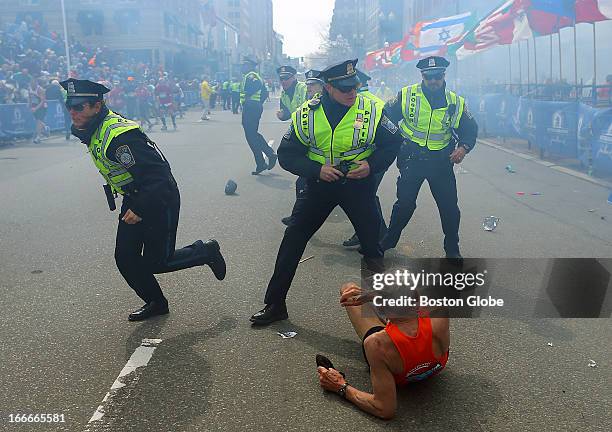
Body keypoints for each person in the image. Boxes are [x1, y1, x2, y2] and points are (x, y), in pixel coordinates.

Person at [249, 59, 402, 326]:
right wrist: (315, 170)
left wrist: (372, 166)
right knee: (292, 240)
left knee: (372, 248)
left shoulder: (371, 108)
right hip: (319, 186)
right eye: (345, 89)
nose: (352, 92)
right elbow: (287, 155)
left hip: (358, 186)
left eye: (354, 86)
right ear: (328, 88)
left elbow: (393, 142)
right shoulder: (307, 113)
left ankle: (383, 307)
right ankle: (275, 304)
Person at [60, 78, 226, 321]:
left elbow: (159, 176)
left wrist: (140, 207)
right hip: (136, 195)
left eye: (79, 107)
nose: (73, 112)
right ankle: (156, 303)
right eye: (69, 107)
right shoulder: (94, 126)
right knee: (125, 258)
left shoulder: (120, 136)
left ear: (97, 106)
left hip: (158, 197)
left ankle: (206, 251)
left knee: (158, 262)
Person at [380, 56, 478, 259]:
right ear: (422, 76)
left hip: (441, 162)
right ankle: (389, 240)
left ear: (444, 76)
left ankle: (452, 249)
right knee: (404, 204)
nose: (433, 81)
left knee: (449, 207)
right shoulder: (407, 95)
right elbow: (386, 116)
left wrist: (463, 148)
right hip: (412, 159)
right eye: (429, 77)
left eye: (437, 76)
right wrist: (395, 139)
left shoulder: (456, 102)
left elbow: (470, 129)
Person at [316, 281, 450, 419]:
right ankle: (394, 317)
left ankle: (390, 323)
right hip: (436, 365)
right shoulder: (439, 311)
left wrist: (340, 387)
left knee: (347, 287)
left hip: (399, 373)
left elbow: (384, 409)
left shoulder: (376, 344)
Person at [343, 69, 388, 248]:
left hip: (370, 160)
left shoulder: (365, 104)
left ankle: (374, 235)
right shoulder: (377, 101)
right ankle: (374, 233)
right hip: (373, 159)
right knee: (365, 196)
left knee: (364, 197)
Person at [281, 69, 324, 226]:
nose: (309, 87)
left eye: (313, 84)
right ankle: (298, 219)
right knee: (303, 185)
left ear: (322, 86)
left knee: (356, 200)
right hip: (316, 156)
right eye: (308, 84)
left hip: (331, 158)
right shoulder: (310, 103)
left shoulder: (324, 104)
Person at [240, 57, 277, 175]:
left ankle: (266, 158)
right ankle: (263, 160)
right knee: (252, 135)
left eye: (245, 65)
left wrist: (248, 99)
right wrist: (256, 103)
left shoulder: (252, 76)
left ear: (250, 66)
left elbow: (255, 86)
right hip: (252, 106)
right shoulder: (253, 75)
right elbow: (265, 93)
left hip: (251, 107)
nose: (243, 67)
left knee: (251, 135)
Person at [29, 77, 47, 144]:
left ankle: (38, 137)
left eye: (34, 83)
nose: (33, 84)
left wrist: (36, 108)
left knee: (39, 121)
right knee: (38, 121)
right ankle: (45, 127)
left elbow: (43, 101)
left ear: (36, 83)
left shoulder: (40, 90)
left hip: (42, 107)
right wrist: (29, 105)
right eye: (31, 83)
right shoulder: (29, 88)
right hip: (34, 106)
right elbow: (30, 97)